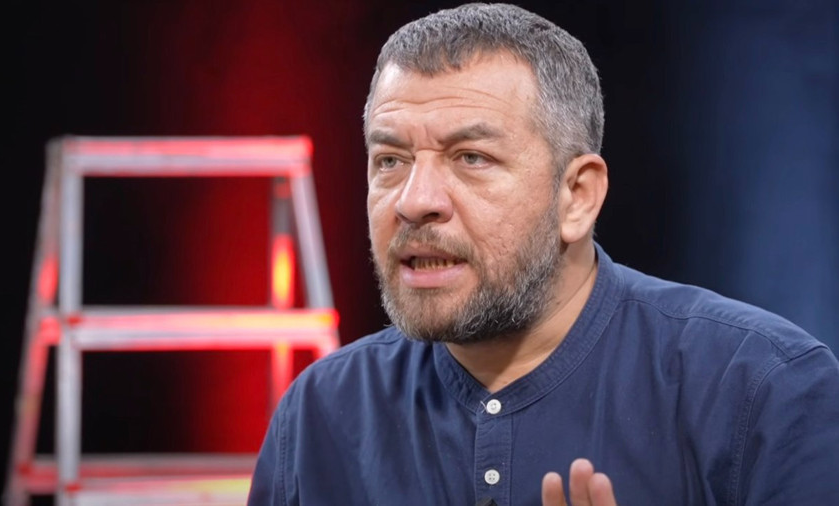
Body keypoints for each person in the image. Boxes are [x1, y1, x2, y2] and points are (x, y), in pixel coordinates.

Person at [248, 4, 839, 505]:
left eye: (471, 158)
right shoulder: (317, 416)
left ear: (577, 196)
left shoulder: (766, 391)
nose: (414, 201)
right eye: (390, 161)